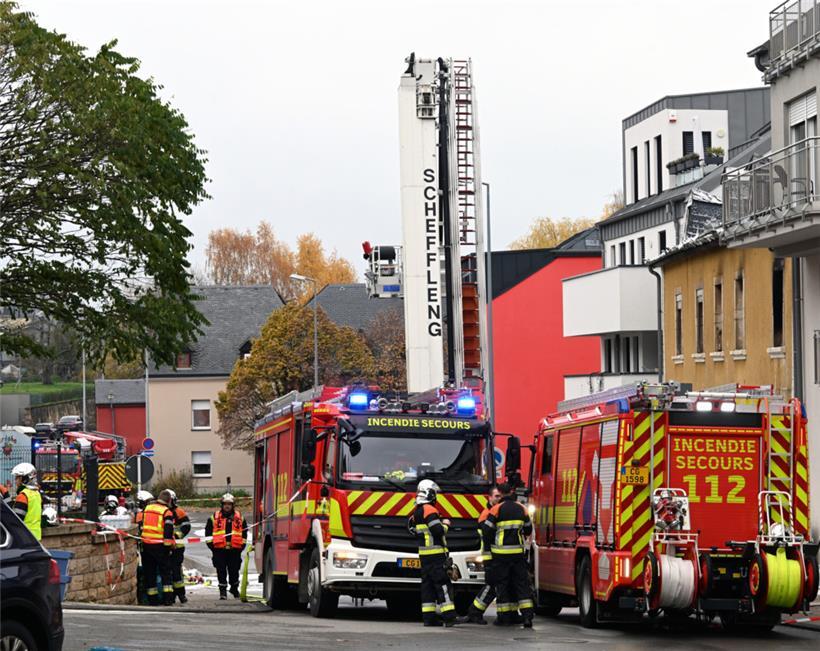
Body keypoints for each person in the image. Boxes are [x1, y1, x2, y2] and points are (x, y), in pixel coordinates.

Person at [482, 482, 534, 628]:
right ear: (512, 491)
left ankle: (504, 617)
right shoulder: (522, 509)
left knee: (503, 585)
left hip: (500, 555)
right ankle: (527, 617)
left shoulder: (496, 509)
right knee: (521, 585)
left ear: (500, 492)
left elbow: (486, 531)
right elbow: (528, 529)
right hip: (517, 554)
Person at [409, 479, 456, 627]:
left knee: (427, 587)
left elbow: (412, 530)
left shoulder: (416, 512)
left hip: (424, 555)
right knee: (443, 585)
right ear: (430, 494)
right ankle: (449, 617)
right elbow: (438, 531)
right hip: (436, 555)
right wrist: (446, 525)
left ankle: (429, 618)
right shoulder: (429, 510)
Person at [464, 486, 502, 624]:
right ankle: (474, 611)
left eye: (500, 496)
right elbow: (489, 536)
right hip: (490, 556)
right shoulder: (487, 515)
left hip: (494, 555)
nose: (499, 499)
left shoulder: (494, 512)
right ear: (489, 498)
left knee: (494, 586)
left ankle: (475, 612)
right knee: (491, 586)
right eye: (496, 496)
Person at [205, 493, 247, 599]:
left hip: (235, 550)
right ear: (222, 505)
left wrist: (241, 548)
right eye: (225, 504)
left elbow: (244, 535)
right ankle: (222, 592)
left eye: (229, 504)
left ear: (233, 505)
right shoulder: (214, 517)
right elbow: (208, 535)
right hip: (219, 550)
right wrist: (213, 548)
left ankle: (234, 588)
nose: (227, 506)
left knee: (234, 571)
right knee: (221, 571)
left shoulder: (240, 518)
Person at [140, 489, 176, 605]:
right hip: (160, 547)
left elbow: (142, 525)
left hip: (146, 545)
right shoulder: (167, 512)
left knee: (150, 574)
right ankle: (168, 599)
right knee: (166, 574)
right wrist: (168, 547)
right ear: (169, 500)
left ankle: (152, 600)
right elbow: (168, 531)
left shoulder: (147, 509)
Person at [168, 489, 191, 603]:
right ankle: (171, 595)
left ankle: (181, 594)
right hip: (165, 547)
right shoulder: (161, 511)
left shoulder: (179, 512)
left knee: (176, 571)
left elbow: (186, 526)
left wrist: (177, 536)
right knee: (168, 571)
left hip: (177, 547)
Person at [11, 463, 42, 541]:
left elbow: (17, 519)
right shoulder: (37, 493)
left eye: (17, 477)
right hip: (36, 535)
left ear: (23, 479)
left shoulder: (23, 495)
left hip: (25, 536)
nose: (15, 481)